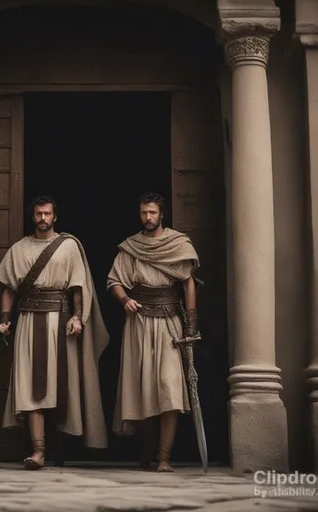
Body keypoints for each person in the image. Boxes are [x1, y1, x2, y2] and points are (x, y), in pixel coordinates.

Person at [0, 196, 110, 470]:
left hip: (60, 321)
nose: (42, 218)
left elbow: (78, 287)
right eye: (38, 214)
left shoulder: (68, 246)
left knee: (60, 386)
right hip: (29, 322)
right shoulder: (19, 249)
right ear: (32, 216)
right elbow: (9, 289)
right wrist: (5, 319)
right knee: (29, 387)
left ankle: (58, 448)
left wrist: (79, 318)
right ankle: (38, 451)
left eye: (47, 214)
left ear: (55, 217)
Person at [107, 192, 201, 472]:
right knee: (143, 389)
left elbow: (188, 284)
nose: (148, 217)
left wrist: (191, 324)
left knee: (169, 387)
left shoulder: (178, 244)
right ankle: (146, 452)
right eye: (143, 213)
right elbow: (114, 281)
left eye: (152, 213)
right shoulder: (131, 248)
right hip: (139, 324)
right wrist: (124, 300)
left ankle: (164, 457)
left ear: (162, 215)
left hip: (170, 323)